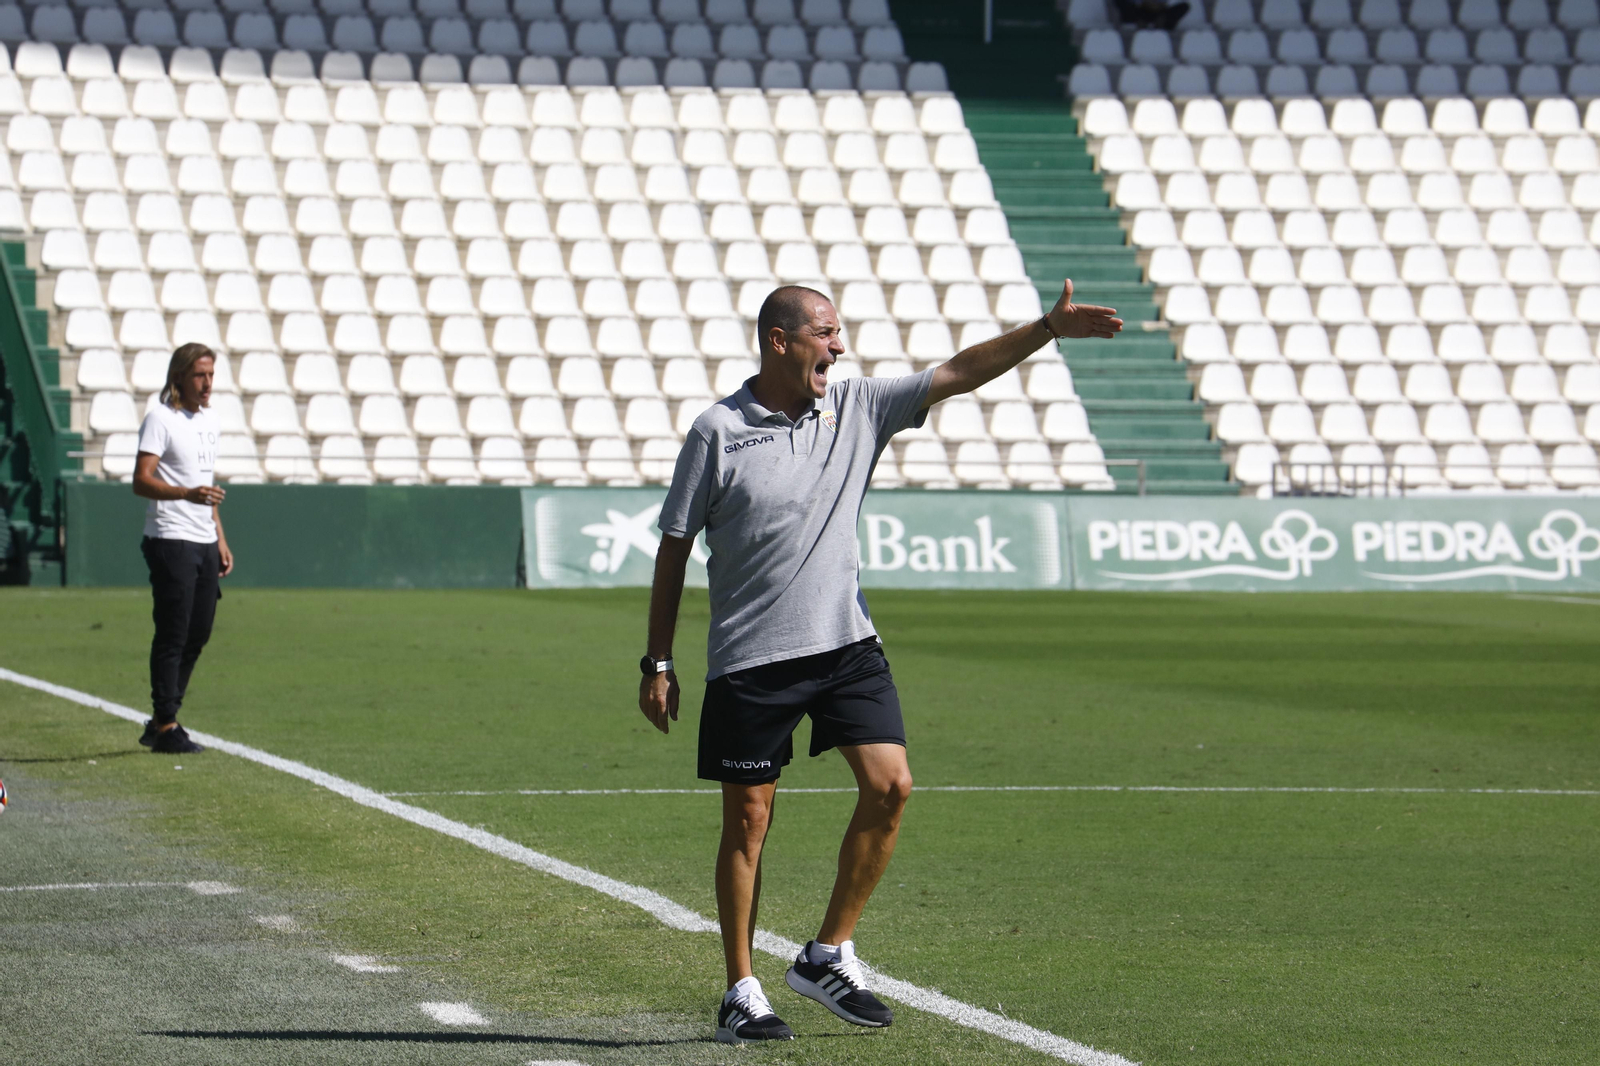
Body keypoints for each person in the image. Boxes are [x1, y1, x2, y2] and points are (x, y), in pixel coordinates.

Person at [639, 281, 1121, 1044]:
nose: (839, 346)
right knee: (749, 822)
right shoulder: (717, 431)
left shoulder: (858, 406)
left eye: (839, 333)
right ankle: (740, 990)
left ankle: (826, 953)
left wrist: (1047, 329)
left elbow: (958, 373)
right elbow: (672, 547)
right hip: (752, 656)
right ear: (779, 341)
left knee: (891, 787)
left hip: (847, 645)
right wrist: (657, 661)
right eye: (826, 333)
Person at [131, 343, 234, 755]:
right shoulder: (161, 418)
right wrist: (184, 494)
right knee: (173, 632)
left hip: (204, 540)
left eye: (211, 375)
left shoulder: (211, 421)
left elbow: (205, 487)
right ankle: (167, 722)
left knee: (199, 631)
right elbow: (141, 480)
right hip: (170, 537)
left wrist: (220, 537)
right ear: (180, 377)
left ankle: (160, 722)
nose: (207, 384)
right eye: (199, 376)